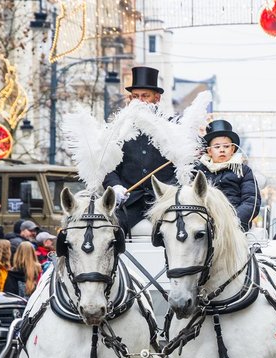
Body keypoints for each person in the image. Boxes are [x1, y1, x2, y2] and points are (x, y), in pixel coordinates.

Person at [103, 66, 178, 233]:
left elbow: (183, 167)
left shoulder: (172, 128)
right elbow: (107, 166)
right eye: (135, 97)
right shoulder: (117, 130)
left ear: (157, 98)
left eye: (145, 96)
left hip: (164, 203)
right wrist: (115, 186)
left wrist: (169, 190)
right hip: (127, 205)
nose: (140, 101)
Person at [193, 119, 261, 231]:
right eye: (217, 147)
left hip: (235, 226)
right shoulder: (198, 171)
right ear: (209, 151)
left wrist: (234, 221)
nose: (222, 150)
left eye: (226, 146)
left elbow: (251, 201)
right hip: (203, 226)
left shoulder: (243, 170)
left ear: (233, 149)